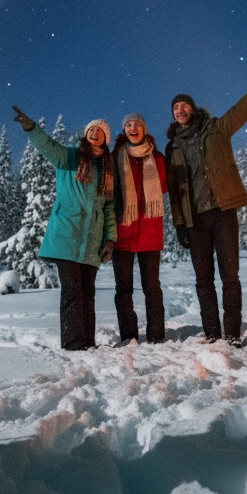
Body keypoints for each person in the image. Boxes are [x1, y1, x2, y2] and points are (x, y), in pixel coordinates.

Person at [164, 63, 247, 346]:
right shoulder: (172, 147)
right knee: (203, 280)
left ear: (193, 109)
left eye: (184, 105)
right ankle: (212, 333)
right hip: (195, 222)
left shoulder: (216, 129)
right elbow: (176, 191)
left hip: (222, 212)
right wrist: (180, 224)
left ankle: (231, 332)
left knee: (230, 275)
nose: (180, 110)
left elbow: (242, 111)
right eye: (175, 107)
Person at [11, 107, 117, 350]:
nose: (94, 133)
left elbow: (109, 209)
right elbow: (49, 147)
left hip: (92, 242)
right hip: (67, 236)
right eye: (91, 129)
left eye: (99, 131)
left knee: (88, 295)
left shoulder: (107, 172)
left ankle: (88, 343)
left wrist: (110, 239)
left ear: (105, 139)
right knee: (72, 292)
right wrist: (31, 128)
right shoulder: (70, 158)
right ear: (86, 134)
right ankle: (72, 343)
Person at [111, 113, 168, 344]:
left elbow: (164, 187)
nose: (133, 128)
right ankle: (129, 337)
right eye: (129, 125)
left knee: (152, 287)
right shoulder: (115, 157)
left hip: (150, 233)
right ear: (124, 130)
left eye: (137, 125)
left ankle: (156, 335)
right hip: (123, 232)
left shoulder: (157, 157)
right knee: (123, 290)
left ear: (144, 129)